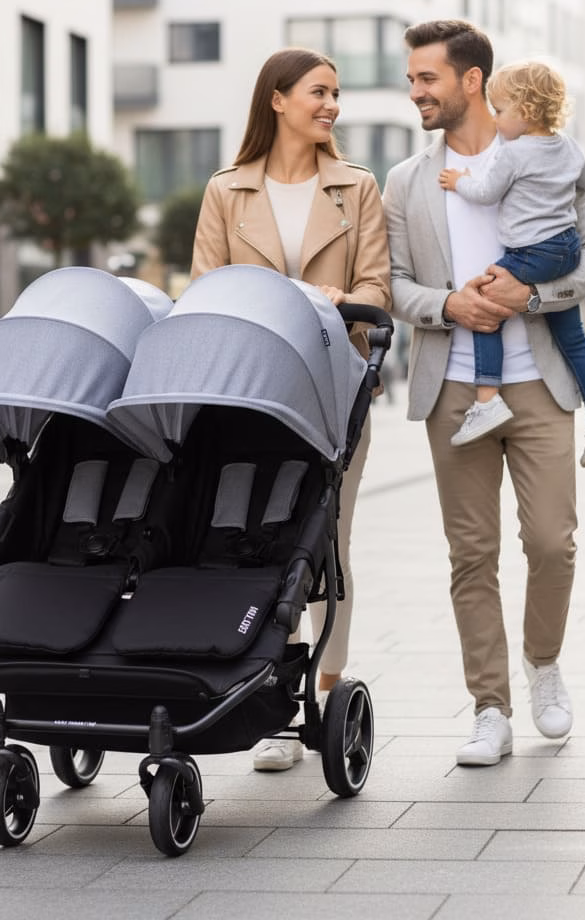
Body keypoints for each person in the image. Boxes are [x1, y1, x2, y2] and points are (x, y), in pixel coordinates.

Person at [383, 19, 585, 767]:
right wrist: (448, 305)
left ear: (471, 81)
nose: (414, 90)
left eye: (427, 78)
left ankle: (542, 664)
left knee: (552, 542)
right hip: (454, 389)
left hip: (541, 384)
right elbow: (390, 284)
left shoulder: (545, 159)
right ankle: (490, 708)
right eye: (412, 77)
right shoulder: (408, 182)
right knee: (471, 554)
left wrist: (534, 294)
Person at [191, 47, 391, 771]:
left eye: (336, 93)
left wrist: (346, 302)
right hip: (249, 388)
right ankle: (270, 692)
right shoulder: (227, 190)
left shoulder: (355, 188)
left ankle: (320, 693)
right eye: (319, 91)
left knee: (326, 538)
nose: (332, 104)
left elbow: (377, 282)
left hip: (333, 385)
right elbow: (203, 288)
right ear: (277, 99)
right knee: (256, 534)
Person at [437, 60, 585, 467]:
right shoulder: (569, 146)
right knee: (572, 337)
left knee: (487, 303)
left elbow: (486, 192)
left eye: (500, 110)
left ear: (523, 111)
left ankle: (487, 398)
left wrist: (458, 182)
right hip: (567, 249)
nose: (494, 117)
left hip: (531, 252)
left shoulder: (513, 153)